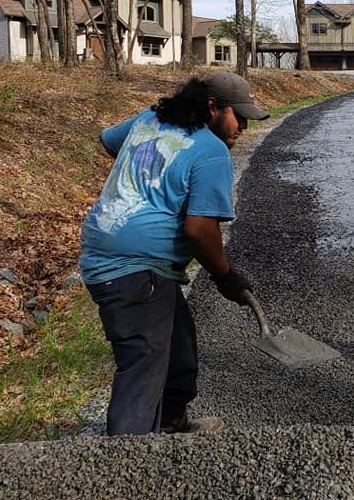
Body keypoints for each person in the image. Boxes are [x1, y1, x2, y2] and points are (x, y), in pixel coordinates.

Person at [79, 71, 269, 436]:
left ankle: (170, 425)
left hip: (107, 247)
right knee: (143, 366)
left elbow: (109, 141)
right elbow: (199, 231)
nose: (243, 126)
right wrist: (225, 277)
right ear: (212, 107)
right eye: (238, 116)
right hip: (133, 268)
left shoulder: (150, 119)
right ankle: (125, 464)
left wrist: (146, 169)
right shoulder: (212, 152)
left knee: (178, 352)